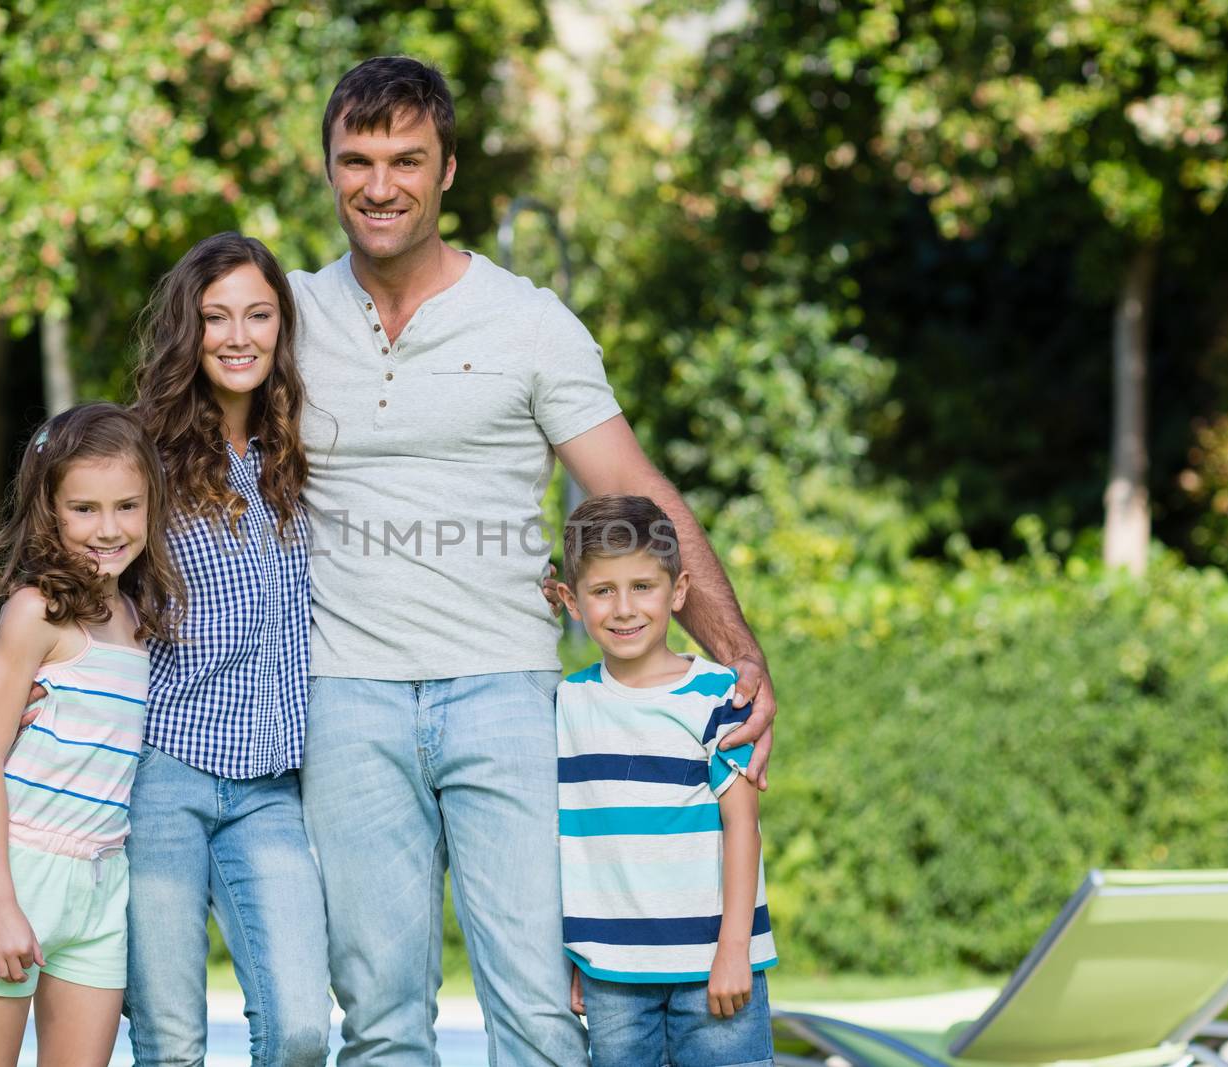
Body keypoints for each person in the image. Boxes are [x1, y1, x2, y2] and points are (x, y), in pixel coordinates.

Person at [291, 56, 779, 1065]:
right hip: (344, 694)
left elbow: (632, 492)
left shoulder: (528, 321)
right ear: (328, 167)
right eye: (356, 159)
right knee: (379, 1019)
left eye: (405, 159)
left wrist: (742, 658)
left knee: (542, 1015)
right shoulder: (284, 317)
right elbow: (159, 477)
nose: (379, 184)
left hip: (505, 693)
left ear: (448, 169)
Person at [121, 232, 332, 1066]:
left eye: (258, 313)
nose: (238, 335)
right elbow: (59, 567)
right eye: (216, 317)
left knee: (301, 1033)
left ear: (282, 326)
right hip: (162, 775)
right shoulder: (141, 453)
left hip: (271, 789)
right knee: (171, 1044)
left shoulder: (300, 454)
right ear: (188, 329)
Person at [0, 402, 184, 1067]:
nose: (109, 528)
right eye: (84, 509)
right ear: (50, 511)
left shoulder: (135, 616)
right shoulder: (35, 610)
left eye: (127, 505)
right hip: (18, 872)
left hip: (101, 881)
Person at [555, 495, 776, 1067]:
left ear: (678, 592)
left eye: (643, 587)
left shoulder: (721, 699)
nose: (624, 608)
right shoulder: (566, 704)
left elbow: (743, 829)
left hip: (714, 969)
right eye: (603, 591)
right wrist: (578, 954)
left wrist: (734, 951)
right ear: (571, 602)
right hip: (613, 979)